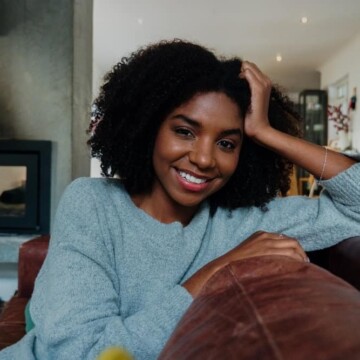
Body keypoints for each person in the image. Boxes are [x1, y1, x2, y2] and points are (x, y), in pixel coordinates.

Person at [1, 39, 359, 360]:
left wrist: (267, 133)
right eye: (185, 131)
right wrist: (218, 270)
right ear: (148, 127)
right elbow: (81, 354)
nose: (204, 159)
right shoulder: (91, 203)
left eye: (227, 143)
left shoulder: (239, 221)